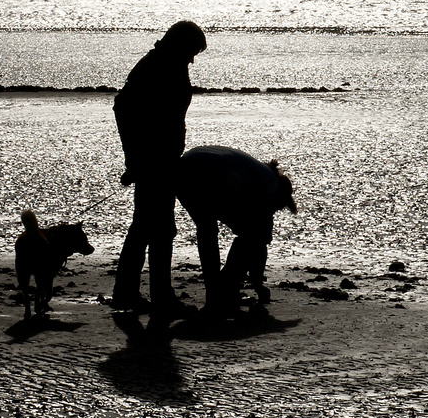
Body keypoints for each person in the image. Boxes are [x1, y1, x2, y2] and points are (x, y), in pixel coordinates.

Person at [109, 20, 206, 316]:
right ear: (180, 44)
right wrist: (135, 158)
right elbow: (122, 107)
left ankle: (130, 293)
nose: (192, 59)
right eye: (192, 51)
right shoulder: (155, 66)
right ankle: (156, 296)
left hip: (163, 159)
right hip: (154, 161)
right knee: (158, 229)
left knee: (149, 227)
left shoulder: (170, 63)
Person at [175, 145, 297, 317]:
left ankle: (214, 296)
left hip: (183, 167)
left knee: (207, 231)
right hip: (215, 173)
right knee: (252, 237)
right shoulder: (270, 186)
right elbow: (259, 240)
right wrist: (257, 284)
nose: (275, 211)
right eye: (279, 208)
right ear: (280, 197)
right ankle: (224, 290)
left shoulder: (256, 173)